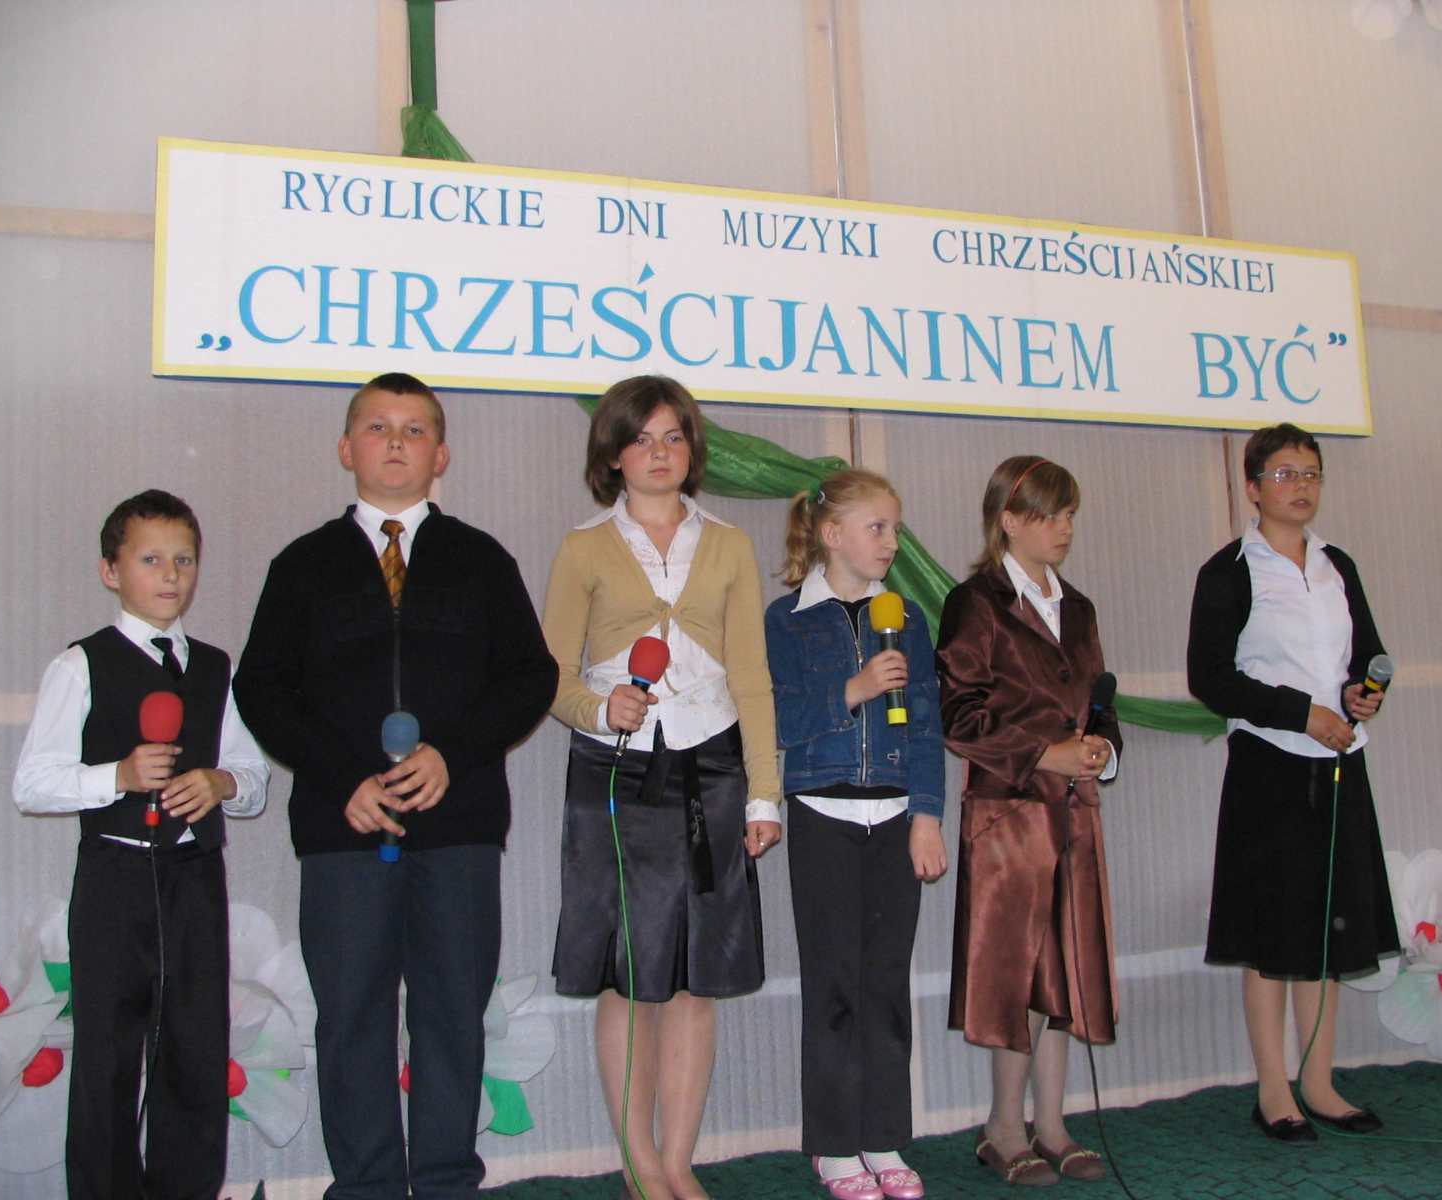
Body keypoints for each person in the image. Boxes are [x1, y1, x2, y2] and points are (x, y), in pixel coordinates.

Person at [233, 372, 557, 1198]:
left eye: (415, 430)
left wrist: (454, 753)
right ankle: (367, 1187)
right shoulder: (302, 564)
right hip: (343, 827)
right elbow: (262, 688)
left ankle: (446, 1181)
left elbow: (529, 676)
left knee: (453, 1017)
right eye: (378, 427)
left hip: (458, 827)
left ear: (440, 455)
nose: (396, 443)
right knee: (351, 1020)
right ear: (347, 448)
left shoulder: (481, 560)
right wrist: (341, 777)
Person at [541, 375, 780, 1200]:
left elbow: (752, 675)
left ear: (692, 449)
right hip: (615, 770)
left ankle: (679, 1161)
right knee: (630, 972)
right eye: (641, 439)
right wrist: (597, 706)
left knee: (696, 973)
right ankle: (639, 1163)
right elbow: (550, 675)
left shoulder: (731, 545)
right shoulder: (582, 548)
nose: (659, 453)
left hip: (713, 764)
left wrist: (763, 794)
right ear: (613, 453)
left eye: (674, 436)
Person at [13, 489, 270, 1200]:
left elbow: (252, 780)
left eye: (183, 560)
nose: (170, 574)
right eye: (151, 559)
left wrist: (220, 782)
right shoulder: (81, 665)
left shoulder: (216, 668)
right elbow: (32, 784)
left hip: (194, 875)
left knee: (195, 1048)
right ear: (111, 572)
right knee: (108, 1057)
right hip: (115, 876)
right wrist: (116, 777)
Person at [1187, 422, 1397, 1143]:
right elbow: (1211, 677)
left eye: (1311, 473)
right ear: (1252, 487)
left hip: (1340, 760)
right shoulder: (1229, 571)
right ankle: (1274, 1089)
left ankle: (1320, 1081)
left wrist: (1362, 694)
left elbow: (1367, 653)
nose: (1300, 486)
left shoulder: (1338, 564)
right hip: (1269, 766)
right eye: (1284, 474)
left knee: (1328, 927)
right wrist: (1301, 712)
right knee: (1272, 930)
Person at [935, 456, 1121, 1187]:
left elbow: (1100, 700)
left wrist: (1101, 749)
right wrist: (1047, 752)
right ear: (1009, 520)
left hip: (1074, 811)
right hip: (1008, 815)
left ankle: (1053, 1124)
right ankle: (1003, 1128)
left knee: (1065, 973)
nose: (1064, 528)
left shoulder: (1080, 608)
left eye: (1070, 514)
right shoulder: (975, 602)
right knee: (1014, 977)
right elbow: (959, 715)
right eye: (1050, 515)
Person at [764, 469, 947, 1200]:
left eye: (895, 528)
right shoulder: (787, 619)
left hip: (895, 817)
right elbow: (776, 720)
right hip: (823, 815)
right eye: (878, 527)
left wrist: (927, 814)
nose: (891, 542)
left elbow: (927, 721)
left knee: (886, 985)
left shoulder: (908, 619)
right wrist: (854, 690)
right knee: (833, 986)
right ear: (831, 533)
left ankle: (884, 1137)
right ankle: (835, 1145)